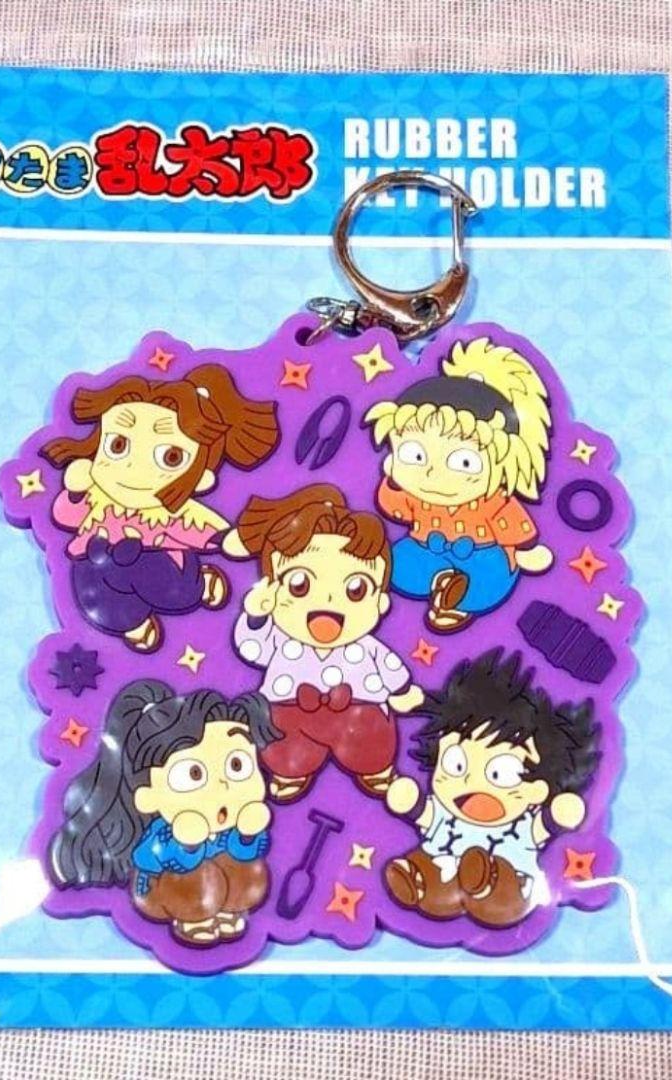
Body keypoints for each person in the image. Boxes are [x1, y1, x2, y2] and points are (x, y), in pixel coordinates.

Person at [41, 365, 279, 652]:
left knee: (170, 583)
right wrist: (76, 492)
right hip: (99, 566)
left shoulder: (175, 514)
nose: (133, 467)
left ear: (200, 476)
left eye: (171, 456)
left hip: (163, 569)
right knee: (91, 584)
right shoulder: (97, 499)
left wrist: (233, 539)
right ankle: (130, 622)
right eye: (118, 444)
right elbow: (65, 516)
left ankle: (199, 583)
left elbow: (204, 532)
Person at [225, 484, 423, 804]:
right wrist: (256, 615)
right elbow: (251, 646)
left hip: (359, 707)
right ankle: (289, 772)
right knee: (281, 739)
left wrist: (400, 691)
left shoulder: (366, 648)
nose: (328, 601)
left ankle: (375, 768)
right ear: (272, 588)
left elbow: (388, 665)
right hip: (291, 707)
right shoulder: (280, 638)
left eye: (356, 589)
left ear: (380, 602)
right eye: (299, 584)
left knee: (373, 739)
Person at [49, 679, 280, 947]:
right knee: (196, 876)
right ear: (146, 795)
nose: (223, 785)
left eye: (237, 765)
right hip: (159, 886)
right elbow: (149, 860)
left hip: (215, 883)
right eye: (195, 773)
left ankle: (228, 909)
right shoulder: (164, 832)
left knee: (246, 869)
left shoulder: (227, 828)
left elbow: (243, 852)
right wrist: (188, 845)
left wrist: (247, 836)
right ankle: (194, 919)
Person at [383, 648, 599, 928]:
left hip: (506, 884)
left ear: (538, 789)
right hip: (442, 873)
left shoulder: (522, 826)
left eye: (502, 773)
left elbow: (547, 824)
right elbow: (423, 813)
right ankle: (416, 879)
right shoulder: (444, 814)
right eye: (456, 764)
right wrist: (411, 802)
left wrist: (560, 813)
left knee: (501, 889)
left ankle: (488, 882)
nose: (470, 783)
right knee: (429, 871)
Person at [364, 336, 553, 633]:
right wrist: (392, 480)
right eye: (415, 456)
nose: (432, 474)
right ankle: (440, 582)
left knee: (488, 580)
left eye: (463, 462)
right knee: (398, 565)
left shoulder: (493, 501)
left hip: (482, 552)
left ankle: (457, 599)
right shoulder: (416, 497)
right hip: (425, 546)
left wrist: (525, 551)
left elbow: (513, 526)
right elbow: (393, 507)